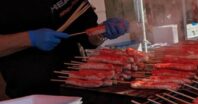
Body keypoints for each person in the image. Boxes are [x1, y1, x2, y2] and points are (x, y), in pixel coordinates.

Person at [0, 0, 128, 98]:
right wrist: (29, 39)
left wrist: (102, 32)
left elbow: (88, 37)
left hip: (76, 86)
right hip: (30, 95)